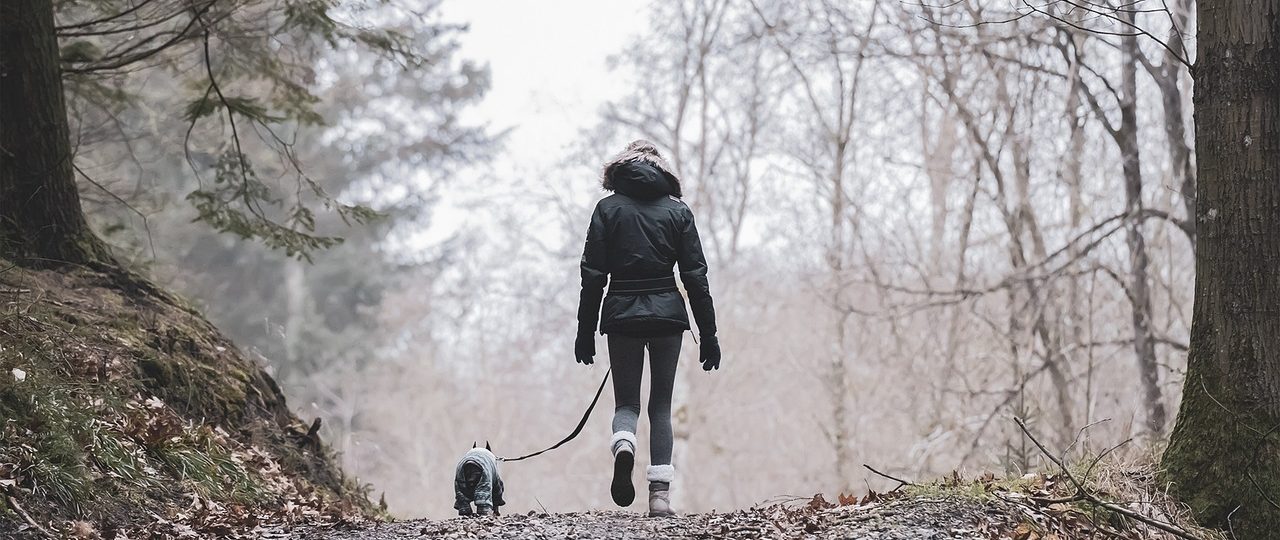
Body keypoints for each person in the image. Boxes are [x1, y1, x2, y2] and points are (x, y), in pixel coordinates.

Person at [574, 139, 721, 517]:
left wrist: (585, 330)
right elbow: (695, 276)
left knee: (626, 403)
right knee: (660, 406)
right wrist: (709, 334)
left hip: (621, 314)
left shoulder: (607, 209)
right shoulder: (678, 213)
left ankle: (624, 443)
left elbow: (592, 275)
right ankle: (659, 497)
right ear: (662, 172)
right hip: (667, 316)